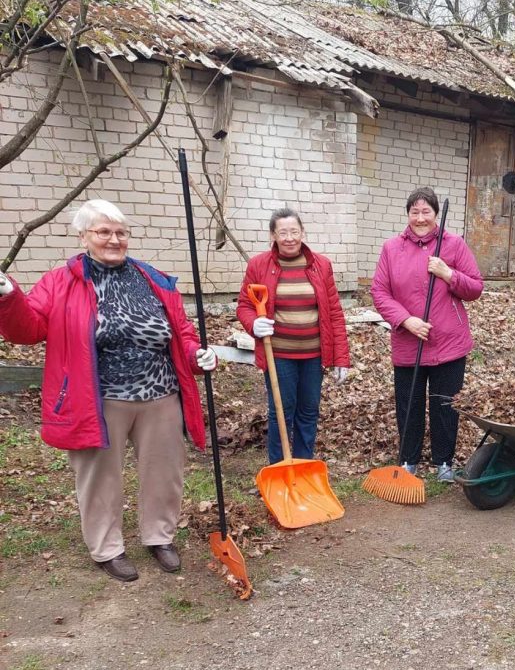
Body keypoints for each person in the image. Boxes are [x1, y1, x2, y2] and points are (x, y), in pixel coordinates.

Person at [0, 199, 217, 581]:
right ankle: (107, 547)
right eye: (104, 231)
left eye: (120, 232)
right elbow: (27, 329)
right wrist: (8, 296)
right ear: (83, 236)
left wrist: (196, 354)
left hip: (160, 393)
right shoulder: (60, 281)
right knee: (100, 476)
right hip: (97, 397)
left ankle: (159, 537)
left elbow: (180, 331)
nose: (114, 239)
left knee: (165, 471)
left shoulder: (152, 277)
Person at [370, 187, 483, 482]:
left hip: (449, 342)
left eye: (426, 212)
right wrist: (405, 320)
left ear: (435, 214)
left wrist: (448, 274)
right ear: (408, 215)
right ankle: (409, 460)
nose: (420, 218)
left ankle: (444, 462)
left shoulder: (454, 245)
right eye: (414, 212)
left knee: (445, 403)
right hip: (409, 341)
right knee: (409, 402)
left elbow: (475, 288)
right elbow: (379, 292)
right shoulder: (391, 248)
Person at [237, 209, 350, 465]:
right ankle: (279, 467)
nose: (289, 238)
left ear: (303, 232)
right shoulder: (259, 265)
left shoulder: (321, 265)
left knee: (308, 412)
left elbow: (333, 312)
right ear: (273, 236)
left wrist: (341, 357)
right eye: (283, 232)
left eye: (294, 231)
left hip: (314, 355)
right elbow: (244, 305)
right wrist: (254, 323)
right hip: (279, 355)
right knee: (281, 412)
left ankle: (303, 466)